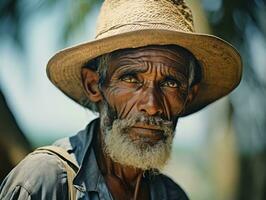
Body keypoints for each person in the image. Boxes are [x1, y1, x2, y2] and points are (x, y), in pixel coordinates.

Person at [0, 0, 242, 199]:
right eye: (131, 79)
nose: (152, 105)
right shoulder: (45, 183)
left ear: (188, 95)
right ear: (94, 85)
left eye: (170, 83)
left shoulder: (172, 195)